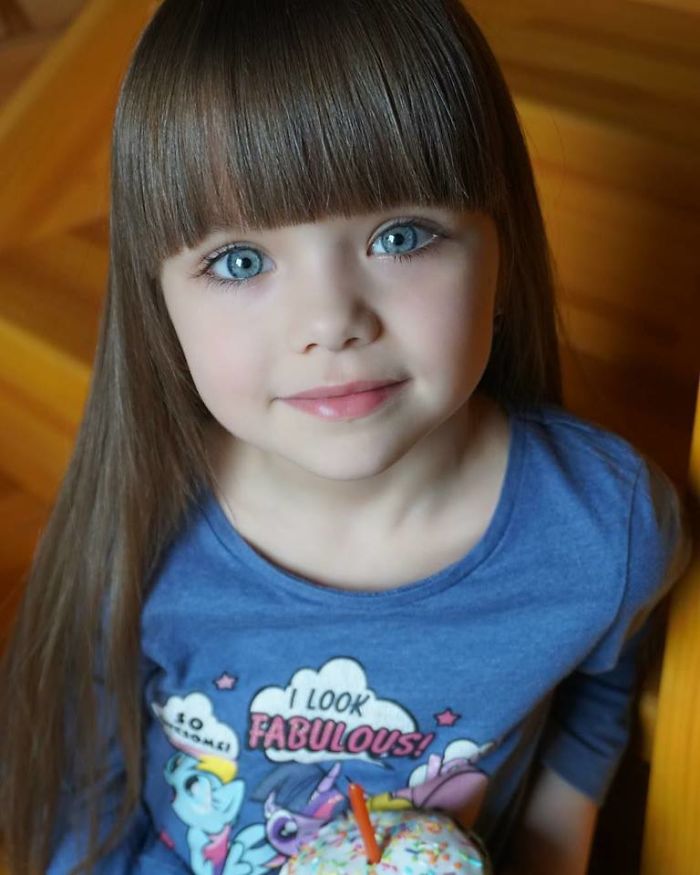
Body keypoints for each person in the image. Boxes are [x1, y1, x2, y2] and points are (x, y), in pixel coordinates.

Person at [0, 0, 691, 873]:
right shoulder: (143, 503)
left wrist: (559, 831)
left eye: (401, 236)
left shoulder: (603, 525)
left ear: (502, 250)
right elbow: (81, 787)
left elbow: (602, 680)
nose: (330, 322)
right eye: (241, 260)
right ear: (159, 301)